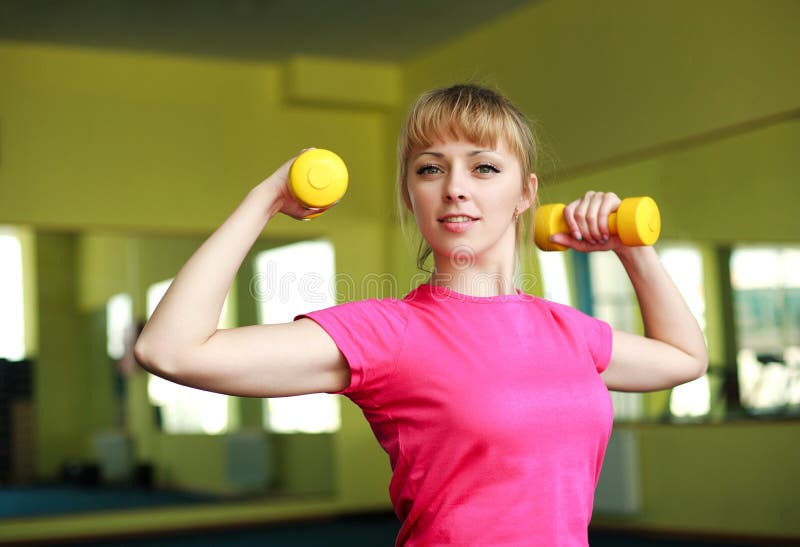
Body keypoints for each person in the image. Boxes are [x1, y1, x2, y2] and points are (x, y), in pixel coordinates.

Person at [135, 84, 708, 546]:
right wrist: (265, 198)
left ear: (526, 192)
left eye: (484, 168)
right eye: (430, 169)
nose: (455, 188)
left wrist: (631, 247)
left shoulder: (566, 329)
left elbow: (685, 358)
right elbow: (171, 349)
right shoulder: (389, 334)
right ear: (411, 195)